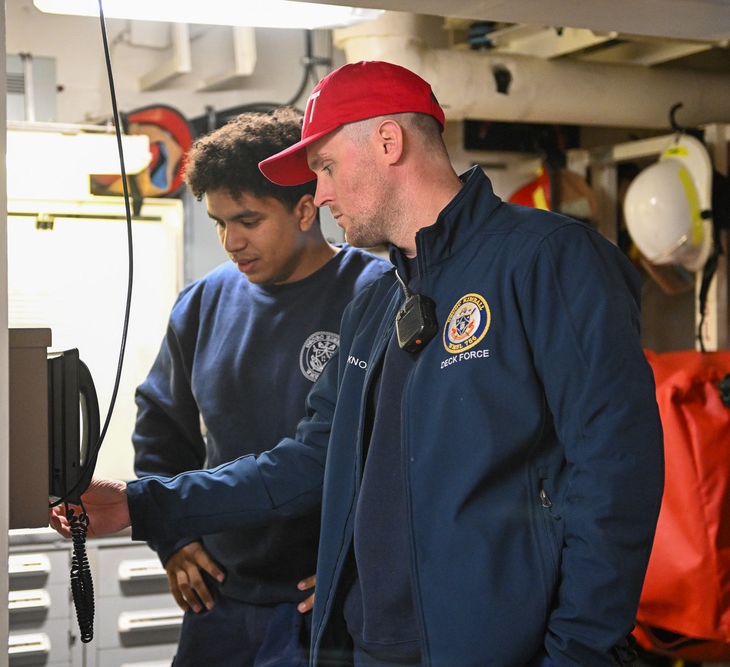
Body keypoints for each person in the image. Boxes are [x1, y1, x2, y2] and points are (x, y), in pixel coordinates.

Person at [52, 61, 665, 666]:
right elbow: (310, 461)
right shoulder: (377, 304)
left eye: (324, 167)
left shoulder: (547, 259)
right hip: (369, 646)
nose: (317, 194)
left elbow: (616, 472)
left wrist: (578, 654)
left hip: (496, 648)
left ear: (388, 141)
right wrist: (144, 504)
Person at [126, 107, 391, 667]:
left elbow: (410, 452)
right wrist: (172, 539)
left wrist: (370, 565)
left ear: (303, 209)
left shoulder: (376, 295)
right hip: (220, 599)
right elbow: (160, 430)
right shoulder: (202, 302)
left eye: (247, 220)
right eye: (219, 222)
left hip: (326, 602)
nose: (230, 240)